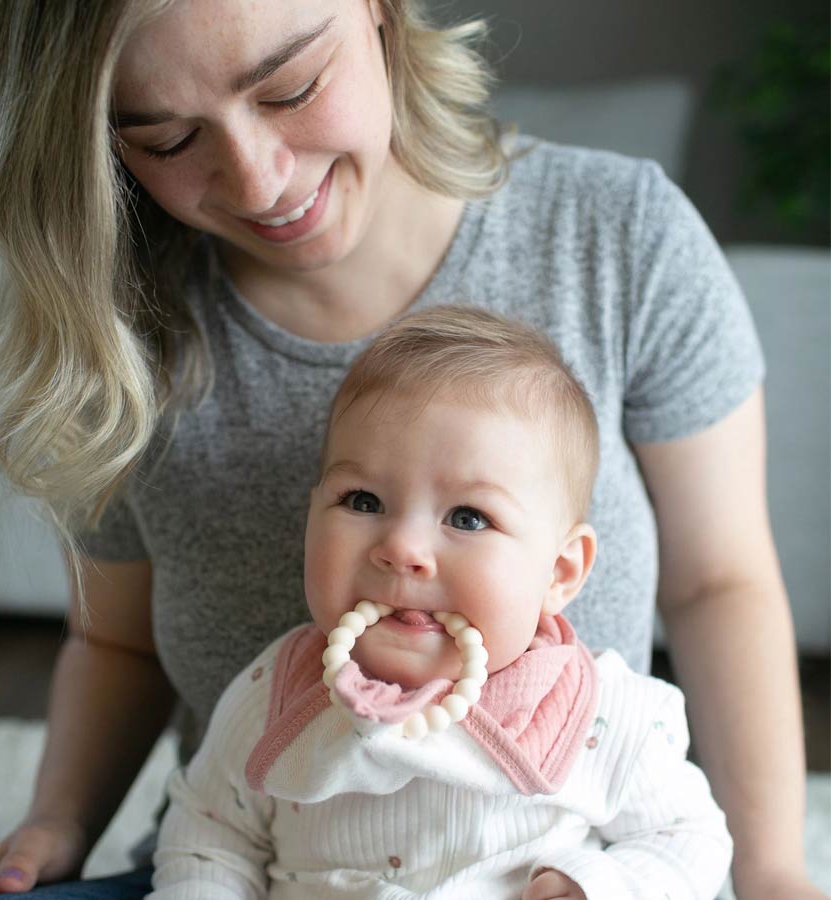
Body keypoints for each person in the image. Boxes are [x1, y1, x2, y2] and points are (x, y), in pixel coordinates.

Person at [0, 1, 818, 899]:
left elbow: (719, 586)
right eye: (167, 139)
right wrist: (60, 820)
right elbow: (116, 639)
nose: (258, 181)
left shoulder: (618, 235)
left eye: (291, 88)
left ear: (379, 11)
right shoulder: (124, 334)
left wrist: (774, 869)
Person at [149, 306, 735, 900]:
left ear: (558, 572)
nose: (403, 549)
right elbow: (210, 833)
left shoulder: (595, 713)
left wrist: (597, 887)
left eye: (468, 517)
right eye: (363, 501)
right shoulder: (277, 694)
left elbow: (687, 835)